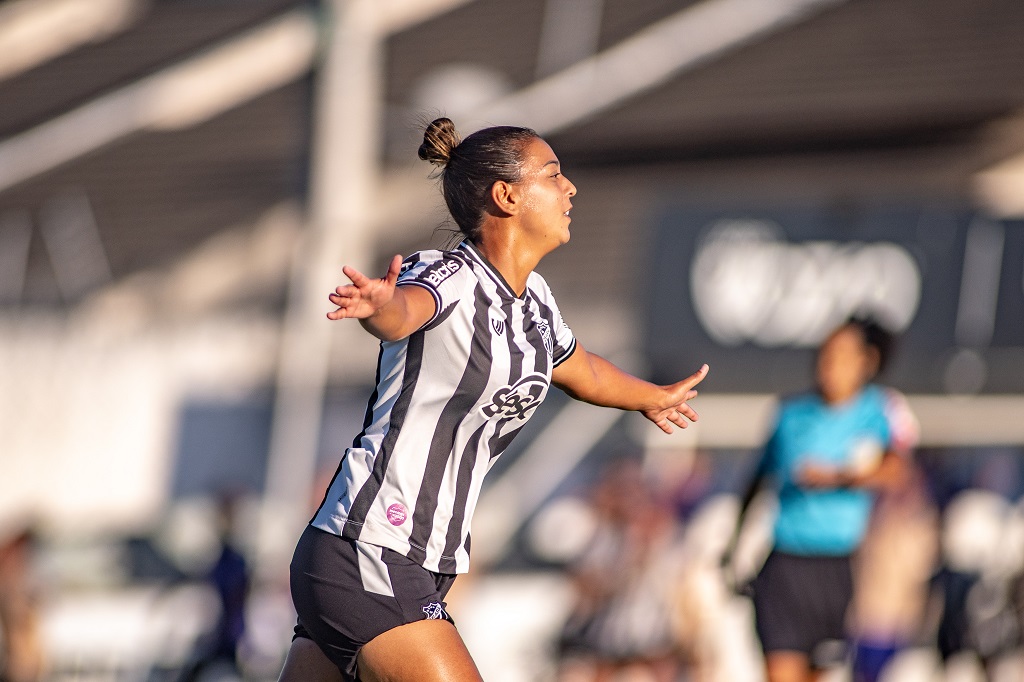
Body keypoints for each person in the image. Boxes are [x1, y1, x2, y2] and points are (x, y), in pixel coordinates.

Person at [277, 118, 709, 682]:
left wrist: (650, 396)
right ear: (506, 197)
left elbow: (584, 371)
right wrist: (379, 307)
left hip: (416, 563)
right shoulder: (449, 276)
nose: (570, 188)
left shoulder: (536, 305)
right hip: (371, 548)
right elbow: (405, 311)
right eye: (553, 174)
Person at [723, 318, 913, 682]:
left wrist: (841, 478)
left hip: (837, 569)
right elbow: (757, 480)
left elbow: (897, 470)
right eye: (825, 356)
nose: (829, 366)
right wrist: (734, 547)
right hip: (786, 566)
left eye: (841, 356)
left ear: (866, 362)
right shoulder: (790, 414)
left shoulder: (882, 411)